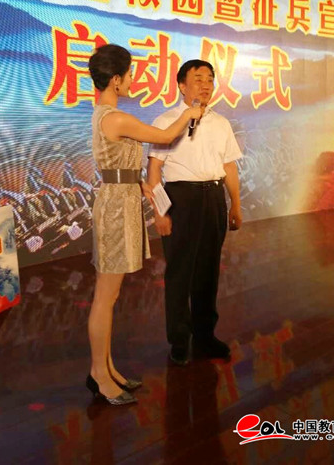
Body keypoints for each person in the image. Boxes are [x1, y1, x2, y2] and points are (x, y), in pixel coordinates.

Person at [86, 44, 202, 405]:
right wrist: (190, 112)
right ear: (116, 80)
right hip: (115, 209)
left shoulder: (106, 115)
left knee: (110, 296)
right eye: (129, 74)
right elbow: (164, 137)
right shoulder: (115, 118)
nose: (133, 80)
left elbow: (117, 163)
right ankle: (98, 374)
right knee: (105, 297)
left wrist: (140, 185)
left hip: (120, 200)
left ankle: (107, 369)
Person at [147, 59, 242, 366]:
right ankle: (179, 339)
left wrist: (235, 204)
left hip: (213, 197)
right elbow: (154, 170)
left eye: (210, 79)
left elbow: (229, 166)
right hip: (181, 199)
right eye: (198, 79)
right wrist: (160, 212)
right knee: (179, 272)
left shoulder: (221, 123)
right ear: (182, 85)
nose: (205, 85)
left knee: (208, 270)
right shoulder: (166, 120)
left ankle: (205, 335)